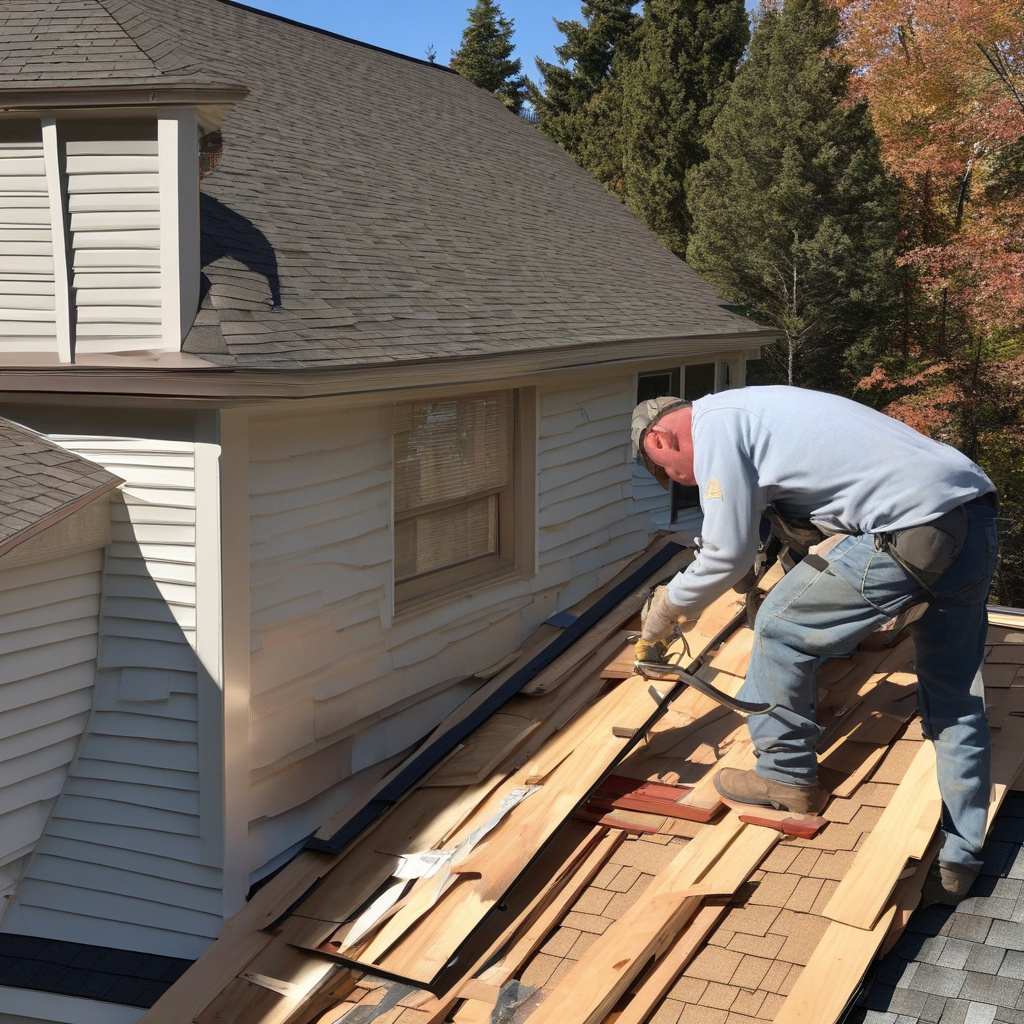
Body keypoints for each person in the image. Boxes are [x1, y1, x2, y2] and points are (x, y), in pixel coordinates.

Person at [631, 385, 998, 906]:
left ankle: (784, 778)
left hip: (912, 526)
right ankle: (962, 859)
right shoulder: (763, 413)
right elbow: (819, 523)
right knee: (955, 695)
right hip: (974, 516)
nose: (675, 479)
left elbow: (726, 554)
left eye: (665, 467)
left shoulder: (714, 426)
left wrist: (667, 607)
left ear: (663, 436)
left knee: (780, 627)